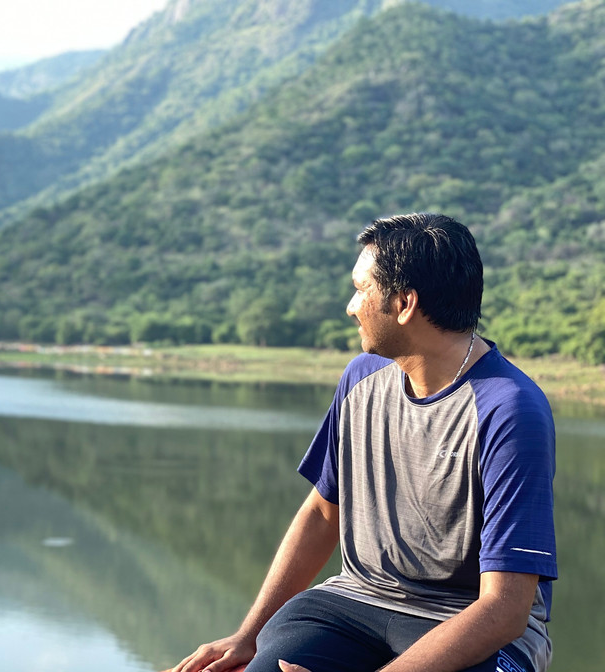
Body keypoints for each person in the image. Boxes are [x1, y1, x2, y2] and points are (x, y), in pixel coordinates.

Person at [163, 213, 557, 672]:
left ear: (404, 303)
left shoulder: (510, 410)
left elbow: (504, 610)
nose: (351, 307)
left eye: (360, 289)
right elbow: (321, 513)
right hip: (356, 602)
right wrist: (247, 636)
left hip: (467, 620)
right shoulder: (361, 378)